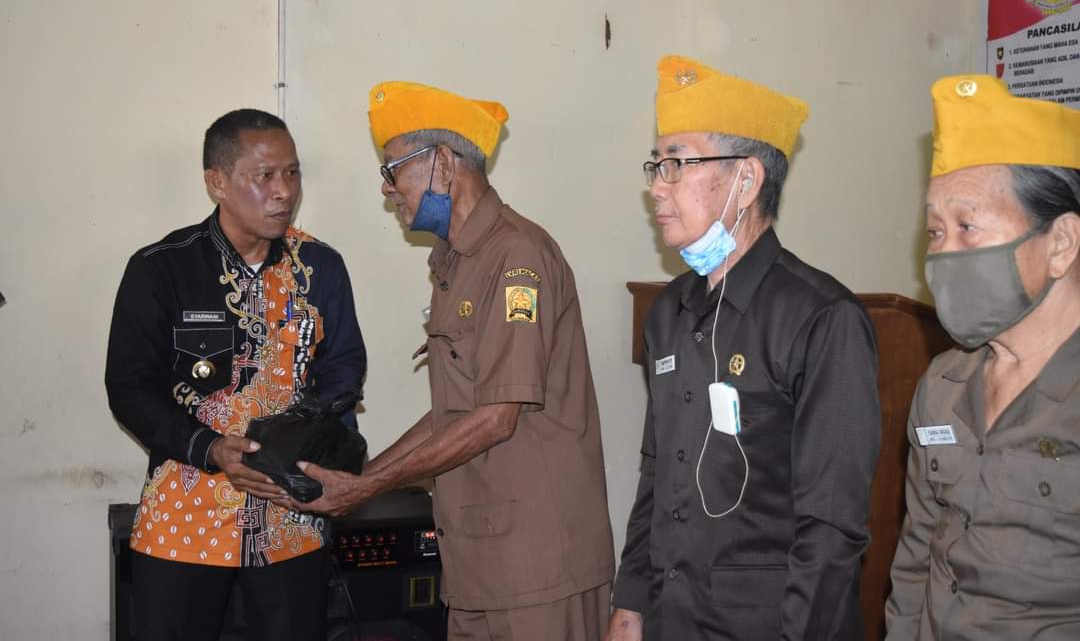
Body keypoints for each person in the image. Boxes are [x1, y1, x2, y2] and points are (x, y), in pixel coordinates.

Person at [295, 81, 615, 640]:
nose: (387, 188)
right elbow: (455, 411)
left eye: (393, 169)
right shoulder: (456, 262)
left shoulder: (517, 256)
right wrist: (358, 480)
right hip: (478, 566)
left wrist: (369, 488)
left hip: (538, 566)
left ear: (443, 164)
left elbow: (496, 418)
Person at [606, 56, 881, 640]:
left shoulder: (820, 317)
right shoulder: (668, 313)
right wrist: (631, 602)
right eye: (656, 164)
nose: (656, 186)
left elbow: (831, 525)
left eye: (677, 163)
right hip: (673, 617)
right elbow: (656, 472)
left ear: (747, 181)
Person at [105, 109, 367, 641]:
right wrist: (210, 448)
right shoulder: (161, 268)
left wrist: (297, 446)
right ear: (217, 182)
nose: (283, 191)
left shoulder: (320, 268)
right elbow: (130, 388)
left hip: (291, 516)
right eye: (264, 175)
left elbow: (344, 370)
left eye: (292, 173)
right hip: (186, 517)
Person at [886, 75, 1080, 640]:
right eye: (935, 231)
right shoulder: (942, 385)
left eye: (968, 227)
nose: (944, 254)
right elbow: (916, 558)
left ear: (1061, 242)